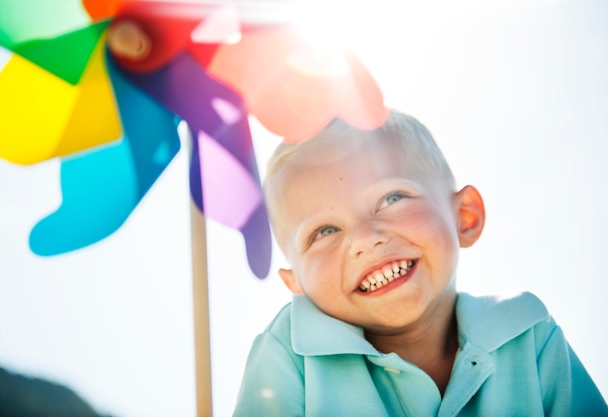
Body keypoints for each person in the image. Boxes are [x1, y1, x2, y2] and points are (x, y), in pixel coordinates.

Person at [233, 110, 608, 416]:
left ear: (465, 216)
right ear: (296, 282)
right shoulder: (291, 353)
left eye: (392, 198)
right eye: (324, 231)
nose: (365, 239)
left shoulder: (528, 333)